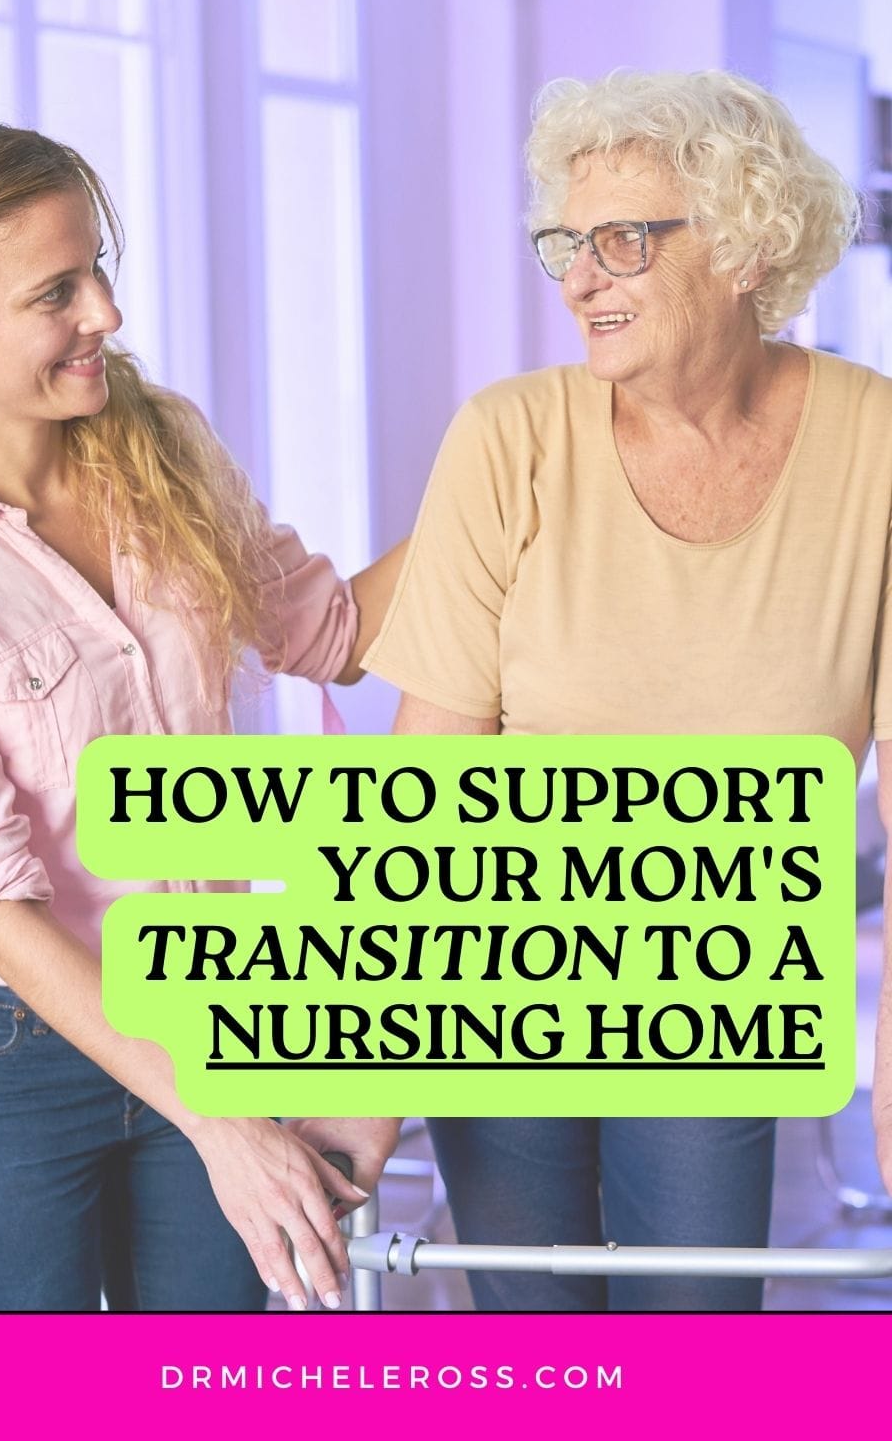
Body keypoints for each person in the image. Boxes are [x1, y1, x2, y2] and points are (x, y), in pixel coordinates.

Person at [363, 67, 892, 1311]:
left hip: (725, 961)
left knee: (693, 1334)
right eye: (564, 242)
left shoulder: (874, 444)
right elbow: (422, 770)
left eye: (621, 240)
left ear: (749, 242)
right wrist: (360, 1076)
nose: (576, 279)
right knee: (532, 1338)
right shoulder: (508, 435)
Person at [0, 124, 402, 1312]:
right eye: (56, 292)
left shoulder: (159, 441)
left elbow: (324, 632)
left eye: (101, 269)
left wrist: (523, 468)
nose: (107, 316)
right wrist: (221, 1118)